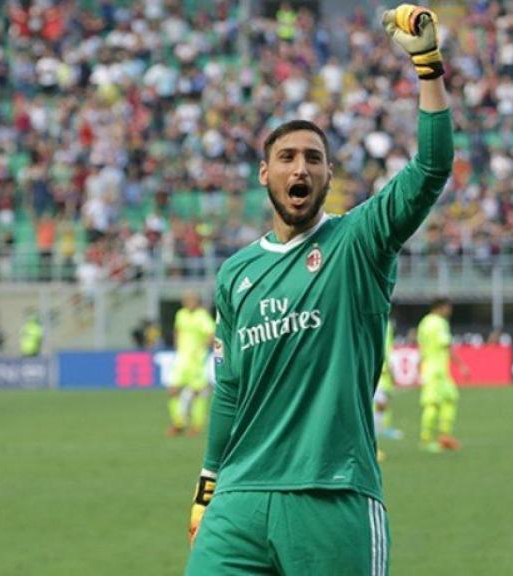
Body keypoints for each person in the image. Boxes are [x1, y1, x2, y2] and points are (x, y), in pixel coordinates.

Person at [185, 6, 451, 574]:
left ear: (329, 175)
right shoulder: (236, 273)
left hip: (332, 494)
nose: (299, 168)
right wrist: (207, 484)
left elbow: (431, 168)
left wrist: (428, 67)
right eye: (285, 158)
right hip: (238, 500)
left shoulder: (359, 240)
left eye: (312, 158)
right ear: (265, 175)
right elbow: (230, 389)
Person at [417, 297, 468, 453]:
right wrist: (461, 365)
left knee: (450, 398)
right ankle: (426, 440)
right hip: (435, 370)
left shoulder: (424, 322)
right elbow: (446, 345)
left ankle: (444, 437)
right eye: (448, 307)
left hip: (435, 368)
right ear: (440, 307)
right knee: (432, 403)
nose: (450, 310)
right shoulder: (438, 323)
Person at [168, 292, 215, 437]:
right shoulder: (181, 314)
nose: (188, 302)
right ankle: (178, 422)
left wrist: (201, 349)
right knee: (173, 390)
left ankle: (196, 424)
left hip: (197, 361)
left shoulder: (202, 316)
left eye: (191, 299)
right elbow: (177, 330)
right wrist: (177, 344)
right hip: (182, 359)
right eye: (186, 299)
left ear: (197, 301)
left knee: (197, 393)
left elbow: (212, 334)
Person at [374, 317, 404, 462]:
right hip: (376, 368)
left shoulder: (385, 323)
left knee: (381, 404)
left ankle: (376, 440)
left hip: (379, 368)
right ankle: (372, 447)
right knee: (377, 405)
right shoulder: (380, 322)